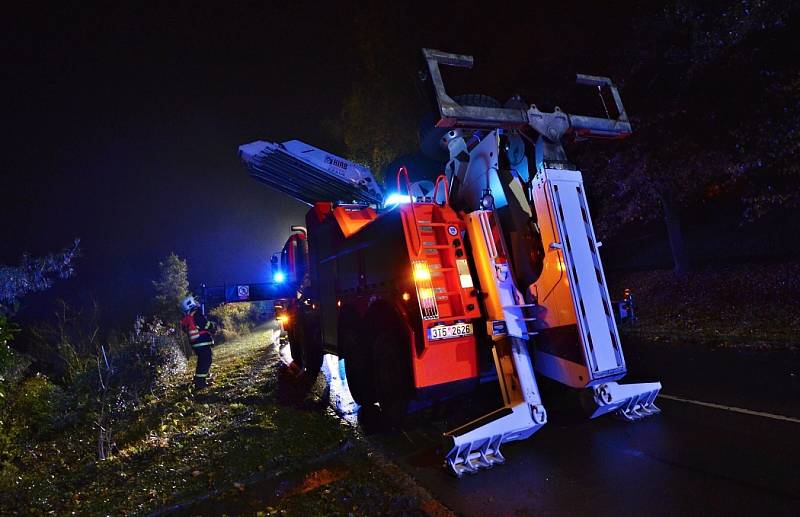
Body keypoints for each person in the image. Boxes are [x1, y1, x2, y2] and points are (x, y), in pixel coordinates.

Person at [179, 295, 217, 390]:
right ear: (191, 304)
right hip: (202, 341)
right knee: (206, 361)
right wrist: (213, 325)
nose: (196, 303)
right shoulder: (197, 314)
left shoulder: (188, 317)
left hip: (197, 343)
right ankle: (200, 383)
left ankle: (200, 380)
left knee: (202, 361)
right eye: (194, 301)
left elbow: (187, 329)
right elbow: (206, 325)